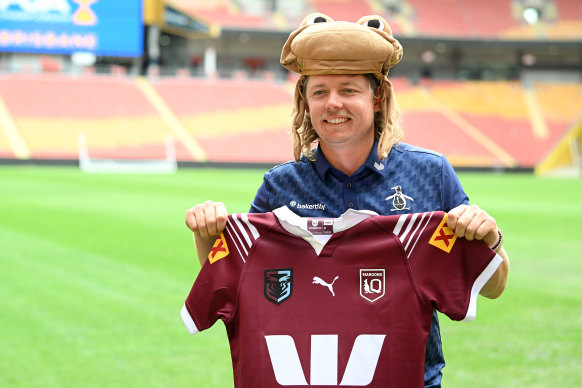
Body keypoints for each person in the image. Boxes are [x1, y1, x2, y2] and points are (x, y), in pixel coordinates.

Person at [185, 13, 509, 388]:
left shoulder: (430, 173)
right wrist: (206, 235)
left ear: (378, 98)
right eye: (319, 92)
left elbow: (494, 286)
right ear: (305, 102)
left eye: (348, 90)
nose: (332, 103)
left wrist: (490, 239)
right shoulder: (279, 185)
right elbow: (239, 278)